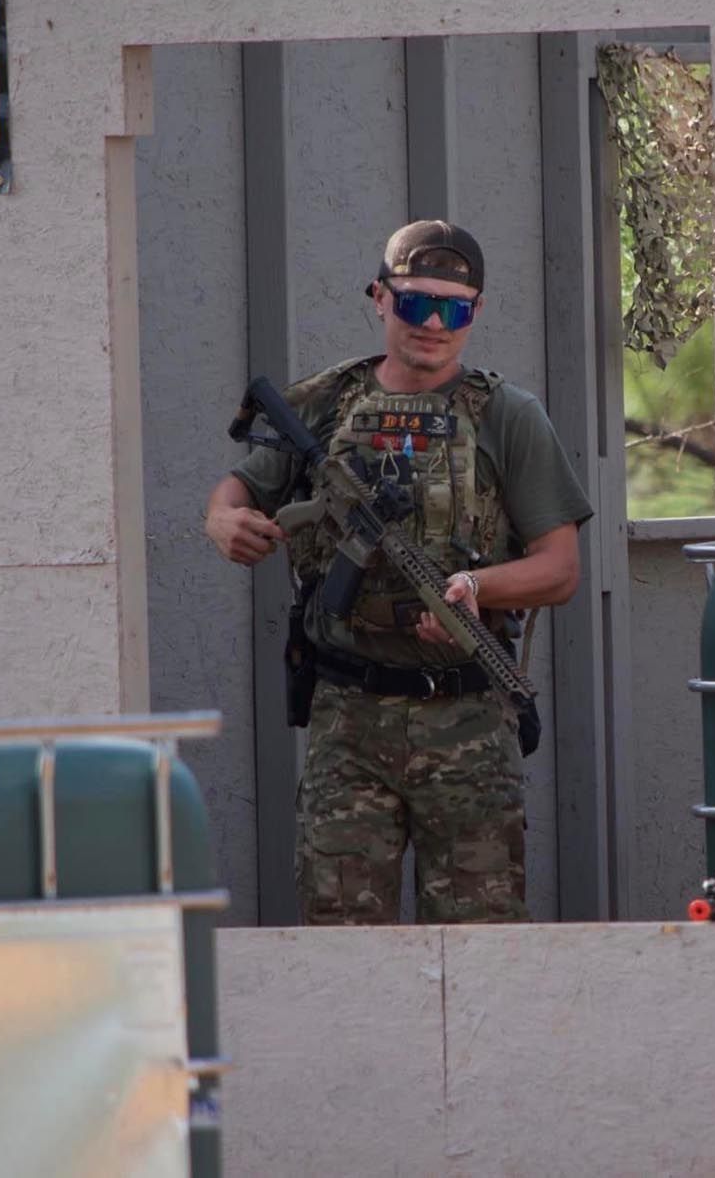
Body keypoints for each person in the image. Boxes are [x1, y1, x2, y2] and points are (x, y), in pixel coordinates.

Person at [204, 220, 593, 925]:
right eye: (416, 303)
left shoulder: (508, 416)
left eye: (454, 309)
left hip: (468, 718)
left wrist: (476, 588)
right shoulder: (325, 403)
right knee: (342, 935)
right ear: (380, 297)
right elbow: (238, 490)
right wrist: (225, 519)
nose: (434, 324)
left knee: (480, 938)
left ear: (476, 313)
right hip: (348, 719)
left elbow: (560, 570)